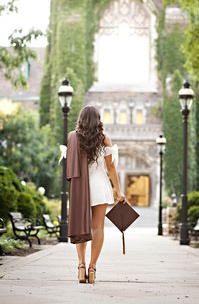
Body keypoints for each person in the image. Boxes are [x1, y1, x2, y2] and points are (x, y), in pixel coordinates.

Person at [66, 105, 125, 284]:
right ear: (98, 119)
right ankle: (92, 268)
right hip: (100, 186)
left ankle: (81, 265)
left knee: (81, 226)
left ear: (81, 119)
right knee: (97, 227)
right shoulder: (104, 138)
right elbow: (111, 168)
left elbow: (70, 167)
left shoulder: (72, 137)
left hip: (80, 187)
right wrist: (118, 191)